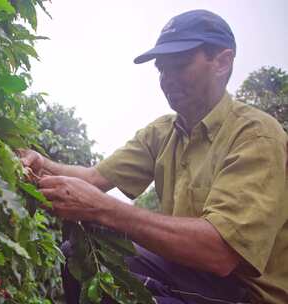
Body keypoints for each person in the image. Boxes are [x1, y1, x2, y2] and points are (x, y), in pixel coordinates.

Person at [20, 10, 287, 304]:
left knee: (121, 289)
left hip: (244, 293)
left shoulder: (256, 136)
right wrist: (41, 164)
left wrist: (102, 208)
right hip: (191, 276)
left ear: (222, 62)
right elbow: (93, 178)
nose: (167, 79)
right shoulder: (162, 133)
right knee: (81, 253)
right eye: (162, 69)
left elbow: (220, 253)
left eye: (181, 65)